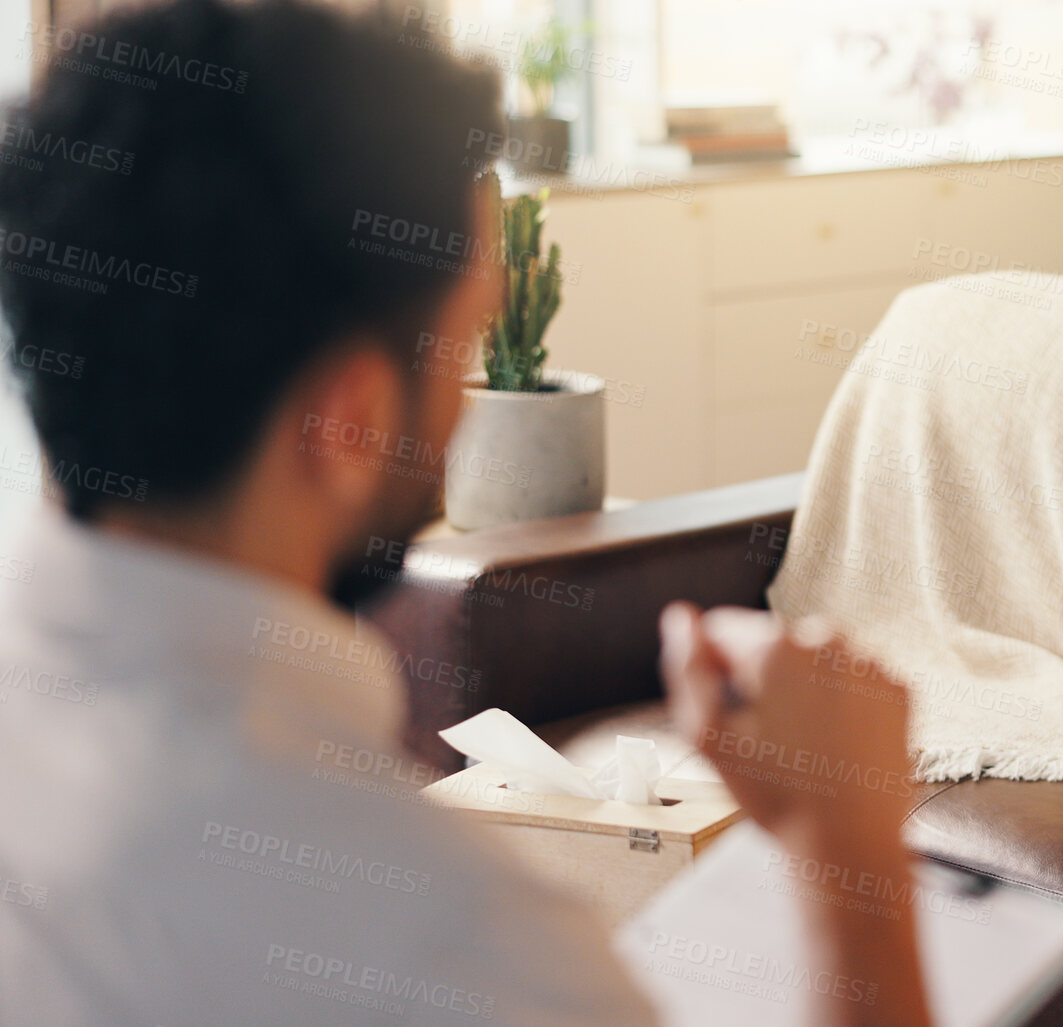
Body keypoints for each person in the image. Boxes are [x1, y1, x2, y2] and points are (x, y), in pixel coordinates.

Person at [0, 2, 927, 1024]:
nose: (466, 407)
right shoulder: (453, 941)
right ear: (349, 424)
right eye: (466, 345)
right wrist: (849, 848)